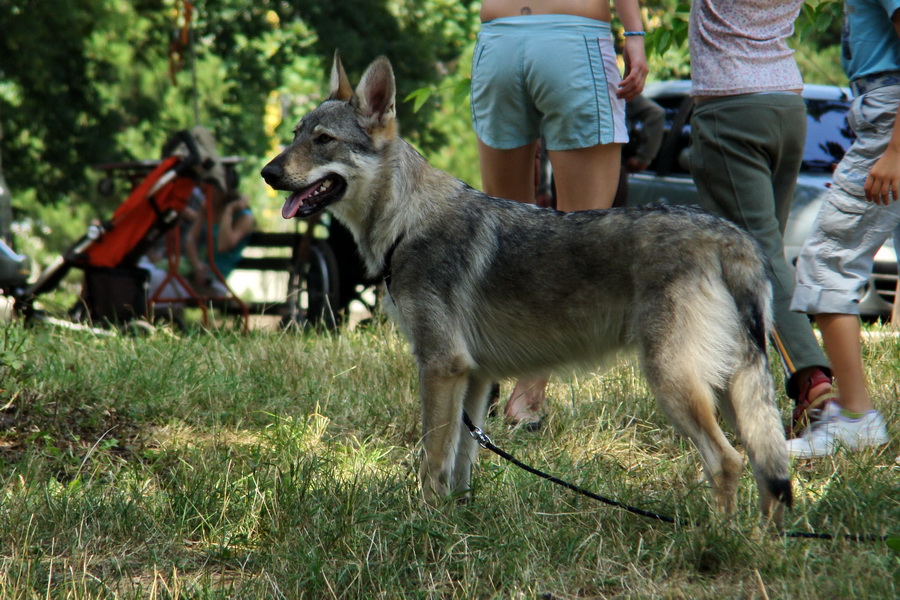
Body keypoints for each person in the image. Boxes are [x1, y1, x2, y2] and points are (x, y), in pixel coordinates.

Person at [471, 0, 648, 428]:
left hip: (498, 43)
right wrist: (635, 37)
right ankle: (526, 398)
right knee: (580, 240)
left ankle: (483, 376)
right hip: (572, 42)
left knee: (504, 235)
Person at [687, 0, 836, 438]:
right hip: (786, 106)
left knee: (757, 258)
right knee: (760, 257)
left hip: (731, 110)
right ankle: (738, 393)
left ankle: (814, 385)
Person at [785, 0, 898, 457]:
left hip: (889, 115)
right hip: (880, 107)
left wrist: (893, 151)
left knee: (825, 265)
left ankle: (855, 418)